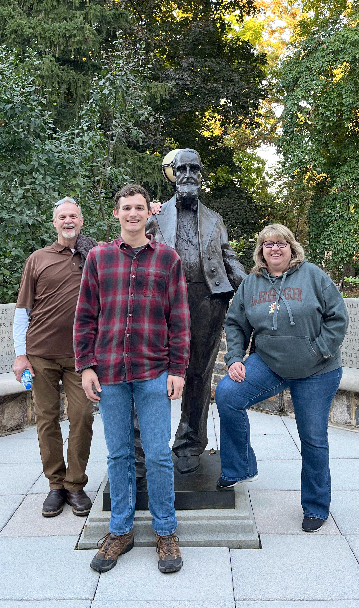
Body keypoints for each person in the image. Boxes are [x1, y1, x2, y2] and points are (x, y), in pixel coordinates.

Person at [74, 183, 190, 574]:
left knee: (158, 455)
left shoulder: (168, 259)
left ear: (148, 213)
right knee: (119, 454)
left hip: (154, 370)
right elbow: (85, 316)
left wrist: (178, 369)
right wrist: (86, 366)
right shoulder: (98, 258)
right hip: (109, 374)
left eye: (139, 208)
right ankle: (120, 531)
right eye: (126, 208)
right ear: (116, 213)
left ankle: (165, 531)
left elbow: (179, 319)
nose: (133, 214)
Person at [215, 224, 348, 533]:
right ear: (261, 251)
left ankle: (316, 505)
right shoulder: (251, 284)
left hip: (317, 369)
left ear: (292, 247)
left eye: (281, 243)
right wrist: (235, 358)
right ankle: (240, 466)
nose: (274, 248)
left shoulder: (312, 275)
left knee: (313, 438)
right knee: (227, 394)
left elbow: (337, 317)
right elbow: (235, 323)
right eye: (267, 244)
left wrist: (318, 350)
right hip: (270, 363)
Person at [146, 148, 246, 474]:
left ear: (201, 174)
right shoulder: (154, 218)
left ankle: (190, 441)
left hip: (208, 301)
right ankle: (149, 444)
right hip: (165, 304)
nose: (188, 174)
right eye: (182, 168)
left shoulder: (215, 219)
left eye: (194, 168)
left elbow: (229, 259)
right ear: (173, 173)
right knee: (155, 373)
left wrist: (256, 290)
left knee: (199, 374)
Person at [12, 198, 96, 519]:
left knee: (82, 416)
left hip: (80, 356)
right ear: (54, 223)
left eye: (73, 215)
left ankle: (76, 484)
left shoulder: (94, 257)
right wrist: (21, 355)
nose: (68, 221)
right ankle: (56, 485)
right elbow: (23, 311)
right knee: (46, 419)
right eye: (62, 217)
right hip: (40, 355)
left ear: (81, 220)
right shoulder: (37, 259)